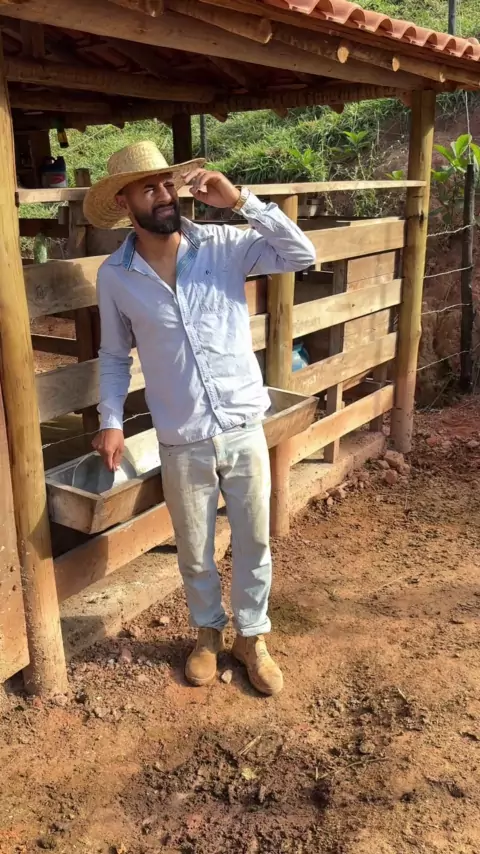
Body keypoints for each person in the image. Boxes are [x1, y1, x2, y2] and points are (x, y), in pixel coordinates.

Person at [84, 140, 316, 696]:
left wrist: (240, 202)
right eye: (149, 188)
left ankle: (252, 637)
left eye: (167, 184)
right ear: (124, 202)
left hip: (241, 423)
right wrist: (111, 419)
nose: (164, 195)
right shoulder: (115, 276)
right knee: (194, 548)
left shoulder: (223, 244)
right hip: (181, 434)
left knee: (254, 541)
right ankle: (208, 633)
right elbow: (114, 355)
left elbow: (301, 254)